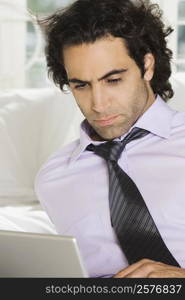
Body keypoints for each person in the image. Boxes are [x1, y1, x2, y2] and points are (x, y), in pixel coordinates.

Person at [35, 0, 185, 278]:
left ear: (147, 66)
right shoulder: (53, 178)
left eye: (113, 80)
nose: (99, 104)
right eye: (81, 85)